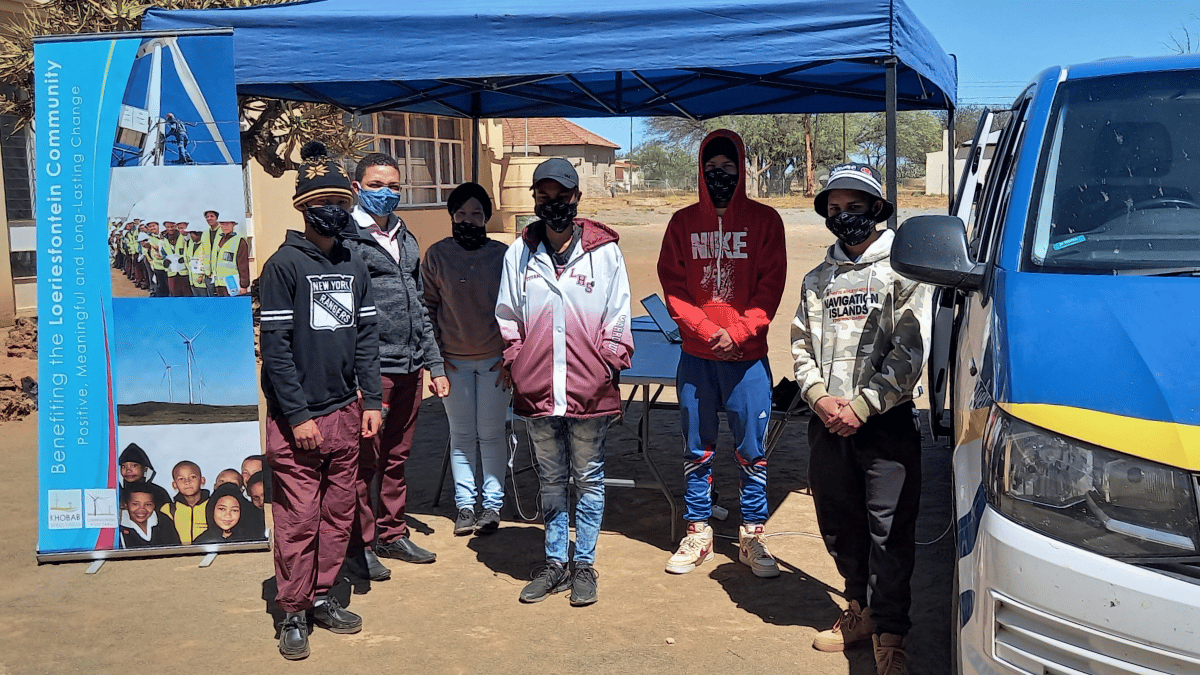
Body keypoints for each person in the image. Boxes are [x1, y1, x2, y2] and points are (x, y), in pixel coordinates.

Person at [791, 163, 930, 675]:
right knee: (837, 523)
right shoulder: (816, 278)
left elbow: (910, 352)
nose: (843, 216)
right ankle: (861, 610)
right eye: (834, 208)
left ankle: (892, 632)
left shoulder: (903, 270)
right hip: (827, 423)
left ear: (876, 208)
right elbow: (800, 345)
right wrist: (821, 399)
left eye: (854, 206)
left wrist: (862, 407)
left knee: (889, 532)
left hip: (884, 425)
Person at [259, 140, 382, 660]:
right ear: (304, 209)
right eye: (321, 204)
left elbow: (366, 341)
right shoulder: (282, 267)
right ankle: (292, 610)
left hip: (346, 414)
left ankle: (324, 595)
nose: (332, 212)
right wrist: (298, 414)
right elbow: (277, 353)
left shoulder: (354, 266)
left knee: (338, 515)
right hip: (299, 423)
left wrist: (371, 400)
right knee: (297, 518)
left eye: (339, 202)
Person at [496, 158, 633, 606]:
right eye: (543, 196)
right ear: (534, 198)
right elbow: (508, 317)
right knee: (551, 479)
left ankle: (585, 565)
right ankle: (555, 562)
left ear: (577, 198)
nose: (552, 204)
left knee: (589, 479)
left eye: (561, 196)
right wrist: (517, 363)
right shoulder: (519, 253)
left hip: (587, 387)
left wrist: (607, 365)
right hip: (538, 390)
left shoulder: (605, 252)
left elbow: (618, 316)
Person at [656, 130, 787, 578]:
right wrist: (708, 329)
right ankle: (698, 531)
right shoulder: (682, 223)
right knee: (697, 448)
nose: (720, 177)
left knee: (752, 450)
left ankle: (752, 534)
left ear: (742, 170)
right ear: (700, 172)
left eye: (728, 169)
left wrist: (741, 330)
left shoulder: (766, 221)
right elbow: (673, 288)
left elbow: (771, 285)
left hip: (747, 360)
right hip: (697, 358)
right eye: (712, 170)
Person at [339, 152, 447, 578]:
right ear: (357, 188)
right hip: (372, 369)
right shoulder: (348, 239)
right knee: (366, 459)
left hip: (411, 366)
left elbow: (419, 305)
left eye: (395, 186)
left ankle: (392, 531)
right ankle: (359, 544)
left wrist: (434, 365)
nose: (387, 193)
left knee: (398, 456)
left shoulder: (405, 236)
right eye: (378, 184)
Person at [422, 182, 510, 536]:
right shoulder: (436, 256)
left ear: (487, 217)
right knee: (460, 435)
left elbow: (517, 311)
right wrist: (436, 364)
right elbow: (427, 310)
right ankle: (464, 506)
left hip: (494, 363)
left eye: (476, 214)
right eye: (460, 214)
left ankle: (491, 505)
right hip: (453, 365)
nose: (468, 220)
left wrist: (511, 359)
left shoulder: (503, 255)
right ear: (451, 216)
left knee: (490, 435)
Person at [160, 460, 209, 544]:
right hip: (179, 555)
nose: (187, 482)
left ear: (202, 480)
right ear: (174, 485)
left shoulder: (213, 505)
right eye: (181, 479)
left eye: (193, 477)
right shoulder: (168, 510)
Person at [120, 482, 181, 548]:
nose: (141, 509)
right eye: (135, 504)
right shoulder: (119, 526)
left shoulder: (164, 521)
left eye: (148, 504)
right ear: (125, 505)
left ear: (154, 505)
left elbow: (175, 549)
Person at [193, 483, 259, 544]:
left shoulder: (252, 540)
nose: (228, 515)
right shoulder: (202, 542)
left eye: (234, 510)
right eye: (222, 509)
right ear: (212, 510)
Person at [118, 442, 172, 508]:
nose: (128, 470)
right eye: (123, 466)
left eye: (134, 465)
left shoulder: (158, 493)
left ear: (145, 469)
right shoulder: (118, 493)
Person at [213, 220, 250, 296]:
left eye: (227, 224)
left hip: (232, 284)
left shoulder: (240, 241)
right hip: (219, 284)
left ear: (233, 224)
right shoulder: (218, 240)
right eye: (223, 224)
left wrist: (244, 285)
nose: (225, 226)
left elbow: (243, 265)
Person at [160, 220, 192, 297]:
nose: (170, 229)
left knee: (187, 294)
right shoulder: (164, 239)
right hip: (172, 272)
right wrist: (165, 261)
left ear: (176, 226)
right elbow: (163, 254)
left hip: (184, 272)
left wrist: (183, 259)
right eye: (168, 227)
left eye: (172, 226)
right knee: (175, 294)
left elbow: (189, 250)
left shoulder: (183, 237)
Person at [182, 221, 211, 297]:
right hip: (192, 281)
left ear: (198, 233)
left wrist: (201, 275)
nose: (190, 236)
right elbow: (187, 259)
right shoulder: (189, 244)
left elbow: (207, 261)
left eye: (191, 234)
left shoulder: (206, 244)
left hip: (203, 283)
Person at [202, 210, 221, 295]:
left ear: (216, 218)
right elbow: (202, 253)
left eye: (211, 216)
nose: (209, 218)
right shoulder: (205, 233)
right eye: (207, 217)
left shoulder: (223, 231)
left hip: (220, 272)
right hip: (208, 274)